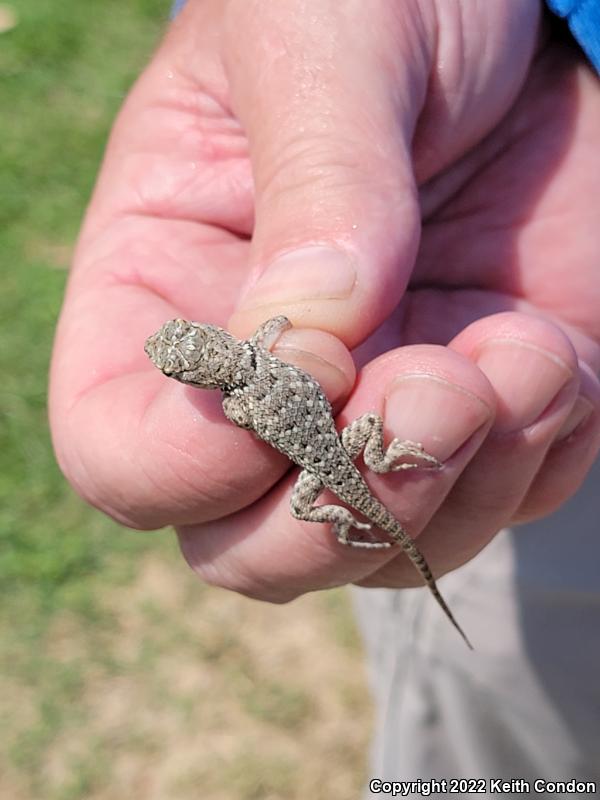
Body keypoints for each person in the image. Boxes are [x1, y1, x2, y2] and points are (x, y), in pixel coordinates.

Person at [49, 1, 600, 793]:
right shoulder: (255, 350)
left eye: (181, 354)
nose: (183, 359)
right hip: (340, 445)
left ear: (210, 361)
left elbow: (260, 376)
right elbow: (271, 329)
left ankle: (376, 492)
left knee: (363, 477)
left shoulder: (241, 395)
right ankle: (381, 491)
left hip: (335, 449)